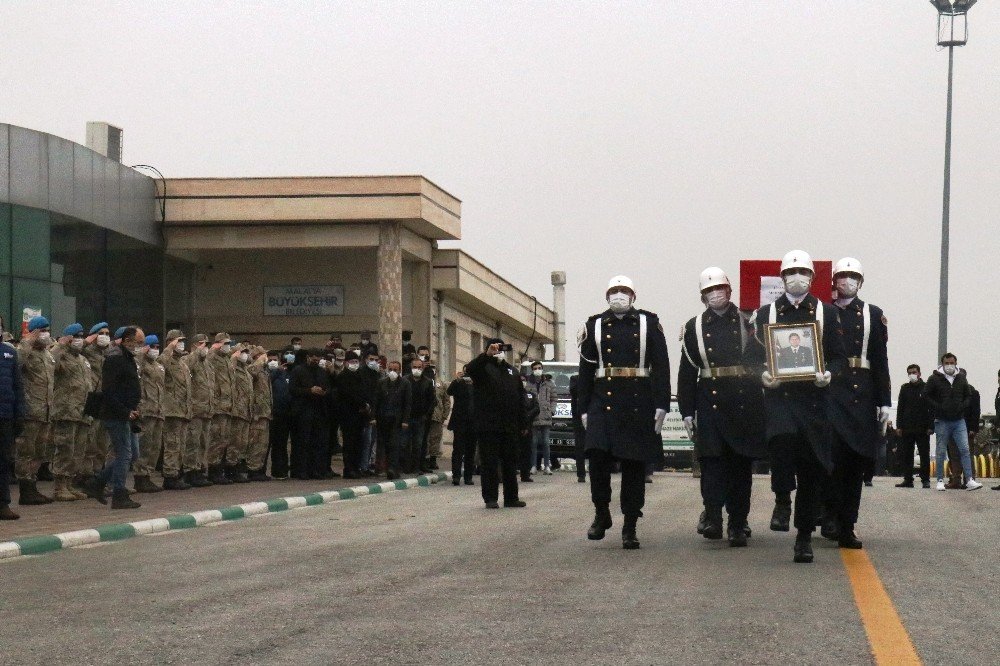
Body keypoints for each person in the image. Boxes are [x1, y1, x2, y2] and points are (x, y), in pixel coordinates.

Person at [750, 250, 845, 563]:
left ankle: (803, 537)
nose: (797, 277)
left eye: (803, 272)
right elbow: (751, 357)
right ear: (782, 278)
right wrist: (762, 375)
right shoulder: (766, 314)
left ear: (812, 278)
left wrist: (828, 374)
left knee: (811, 471)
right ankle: (781, 498)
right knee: (781, 442)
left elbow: (839, 357)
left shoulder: (826, 313)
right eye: (791, 272)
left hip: (815, 402)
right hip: (780, 398)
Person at [578, 275, 670, 549]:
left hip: (637, 401)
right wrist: (582, 408)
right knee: (596, 457)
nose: (619, 295)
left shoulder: (648, 322)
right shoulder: (593, 324)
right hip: (601, 400)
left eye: (624, 291)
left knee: (633, 465)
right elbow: (585, 371)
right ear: (607, 296)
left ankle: (630, 524)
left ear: (633, 296)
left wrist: (662, 403)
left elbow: (661, 366)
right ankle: (601, 512)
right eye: (614, 291)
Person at [678, 267, 766, 547]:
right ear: (702, 296)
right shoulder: (693, 326)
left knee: (741, 468)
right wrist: (687, 411)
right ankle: (714, 517)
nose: (715, 294)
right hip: (710, 402)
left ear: (730, 290)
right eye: (709, 291)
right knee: (712, 465)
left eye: (720, 289)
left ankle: (738, 524)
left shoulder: (748, 321)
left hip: (744, 402)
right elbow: (687, 372)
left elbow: (763, 359)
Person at [821, 257, 891, 550]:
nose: (847, 281)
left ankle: (848, 523)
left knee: (854, 462)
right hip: (829, 392)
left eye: (853, 277)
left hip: (861, 394)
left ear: (860, 282)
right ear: (834, 280)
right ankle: (829, 517)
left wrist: (884, 401)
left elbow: (880, 360)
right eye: (842, 276)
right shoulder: (821, 312)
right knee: (829, 460)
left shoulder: (873, 314)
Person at [82, 326, 144, 510]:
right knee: (124, 453)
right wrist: (125, 410)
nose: (141, 346)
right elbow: (109, 391)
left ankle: (97, 482)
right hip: (116, 414)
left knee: (132, 453)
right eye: (138, 342)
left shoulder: (127, 357)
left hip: (127, 413)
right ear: (127, 340)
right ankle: (119, 494)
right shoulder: (115, 358)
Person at [467, 339, 527, 509]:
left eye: (501, 348)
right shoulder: (483, 368)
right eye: (495, 348)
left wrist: (523, 423)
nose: (498, 351)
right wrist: (486, 356)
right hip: (488, 426)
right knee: (490, 463)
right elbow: (470, 369)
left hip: (509, 426)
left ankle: (511, 498)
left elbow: (520, 398)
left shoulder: (512, 371)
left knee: (510, 463)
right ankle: (490, 498)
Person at [923, 354, 983, 491]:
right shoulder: (934, 379)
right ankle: (939, 480)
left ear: (956, 363)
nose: (949, 365)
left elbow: (969, 395)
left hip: (959, 421)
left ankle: (969, 480)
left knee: (965, 450)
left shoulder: (961, 378)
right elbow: (926, 395)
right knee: (941, 451)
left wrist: (962, 406)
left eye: (952, 362)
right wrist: (938, 406)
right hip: (942, 421)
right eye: (947, 363)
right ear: (942, 363)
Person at [15, 315, 56, 505]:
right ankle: (26, 489)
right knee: (26, 451)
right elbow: (17, 362)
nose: (46, 334)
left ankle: (33, 486)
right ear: (34, 332)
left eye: (47, 330)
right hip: (31, 411)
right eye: (42, 330)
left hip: (46, 411)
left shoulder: (47, 354)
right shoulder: (25, 350)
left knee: (40, 451)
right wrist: (27, 341)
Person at [50, 324, 93, 501]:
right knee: (65, 447)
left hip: (83, 411)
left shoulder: (82, 359)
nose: (80, 339)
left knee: (78, 450)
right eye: (76, 336)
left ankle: (70, 484)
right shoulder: (61, 355)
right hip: (66, 410)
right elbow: (50, 361)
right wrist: (60, 344)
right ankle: (59, 487)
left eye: (81, 336)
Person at [289, 349, 332, 479]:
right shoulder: (298, 371)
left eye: (317, 358)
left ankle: (316, 470)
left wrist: (324, 392)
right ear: (307, 358)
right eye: (313, 358)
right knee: (302, 442)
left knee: (317, 443)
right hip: (302, 412)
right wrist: (309, 390)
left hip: (319, 412)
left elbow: (328, 387)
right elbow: (292, 389)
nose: (315, 360)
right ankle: (301, 471)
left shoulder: (322, 372)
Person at [159, 330, 193, 490]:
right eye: (178, 341)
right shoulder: (166, 359)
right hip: (171, 410)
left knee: (181, 445)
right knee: (172, 444)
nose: (181, 344)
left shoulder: (183, 364)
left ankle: (177, 473)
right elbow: (161, 363)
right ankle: (170, 475)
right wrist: (169, 349)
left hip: (183, 410)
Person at [133, 334, 166, 493]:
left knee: (155, 446)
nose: (155, 350)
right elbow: (135, 365)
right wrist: (141, 352)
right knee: (144, 446)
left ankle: (148, 475)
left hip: (158, 409)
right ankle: (140, 477)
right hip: (146, 409)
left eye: (157, 347)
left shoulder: (158, 366)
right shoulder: (141, 363)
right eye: (152, 347)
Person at [0, 316, 26, 519]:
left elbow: (18, 386)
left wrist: (20, 415)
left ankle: (3, 504)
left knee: (3, 460)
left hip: (6, 415)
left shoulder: (9, 352)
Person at [182, 334, 215, 487]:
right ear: (194, 345)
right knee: (192, 441)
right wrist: (195, 353)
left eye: (206, 344)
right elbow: (186, 366)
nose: (204, 347)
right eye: (201, 344)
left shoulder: (207, 364)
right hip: (195, 408)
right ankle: (190, 470)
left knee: (203, 442)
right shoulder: (189, 359)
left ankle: (200, 469)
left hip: (207, 408)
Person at [79, 322, 111, 481]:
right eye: (101, 333)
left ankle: (98, 474)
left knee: (102, 441)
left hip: (105, 399)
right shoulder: (86, 351)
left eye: (107, 333)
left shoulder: (109, 353)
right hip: (92, 398)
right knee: (89, 440)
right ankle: (86, 474)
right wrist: (87, 340)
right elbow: (72, 349)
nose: (105, 336)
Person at [895, 364, 934, 488]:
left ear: (919, 373)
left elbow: (931, 408)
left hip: (923, 428)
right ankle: (908, 479)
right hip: (907, 427)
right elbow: (900, 408)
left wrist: (931, 426)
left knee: (924, 455)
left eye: (914, 372)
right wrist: (899, 426)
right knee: (907, 455)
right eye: (910, 372)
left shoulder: (926, 388)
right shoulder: (904, 388)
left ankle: (925, 480)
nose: (912, 374)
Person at [207, 333, 236, 485]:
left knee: (224, 440)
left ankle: (219, 469)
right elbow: (205, 360)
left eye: (229, 343)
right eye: (225, 343)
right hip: (218, 407)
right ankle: (213, 470)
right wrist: (213, 348)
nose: (227, 346)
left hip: (228, 406)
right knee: (216, 439)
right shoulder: (212, 357)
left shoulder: (227, 360)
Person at [374, 360, 410, 480]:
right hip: (383, 418)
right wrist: (374, 417)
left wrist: (405, 420)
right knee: (384, 444)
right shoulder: (382, 383)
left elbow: (407, 403)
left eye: (395, 370)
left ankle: (393, 469)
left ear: (399, 371)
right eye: (390, 369)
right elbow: (377, 401)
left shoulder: (405, 383)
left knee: (395, 444)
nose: (392, 372)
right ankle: (382, 467)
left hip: (397, 419)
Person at [336, 351, 370, 478]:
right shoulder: (342, 377)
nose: (354, 364)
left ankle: (356, 467)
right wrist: (362, 404)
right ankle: (349, 469)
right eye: (351, 362)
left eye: (356, 362)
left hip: (360, 415)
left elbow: (365, 392)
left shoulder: (360, 375)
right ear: (346, 363)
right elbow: (348, 395)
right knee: (349, 443)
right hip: (348, 415)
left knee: (359, 443)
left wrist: (366, 405)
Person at [401, 358, 435, 473]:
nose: (417, 369)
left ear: (423, 368)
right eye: (414, 367)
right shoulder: (405, 380)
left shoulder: (427, 381)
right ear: (411, 368)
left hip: (421, 418)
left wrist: (426, 414)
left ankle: (417, 466)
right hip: (406, 417)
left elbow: (432, 400)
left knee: (418, 444)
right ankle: (406, 467)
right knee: (405, 443)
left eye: (419, 367)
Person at [226, 344, 254, 483]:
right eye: (241, 352)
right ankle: (230, 468)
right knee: (234, 441)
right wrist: (233, 359)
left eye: (246, 352)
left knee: (242, 442)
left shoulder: (246, 370)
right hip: (236, 410)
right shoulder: (232, 369)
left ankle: (236, 464)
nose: (244, 354)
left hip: (245, 411)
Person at [246, 347, 273, 481]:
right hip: (257, 412)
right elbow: (250, 372)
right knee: (256, 442)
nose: (266, 358)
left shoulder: (264, 371)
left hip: (265, 412)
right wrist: (258, 362)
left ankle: (260, 468)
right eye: (264, 355)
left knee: (263, 443)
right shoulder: (253, 368)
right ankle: (253, 469)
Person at [526, 361, 557, 475]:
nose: (537, 370)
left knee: (545, 441)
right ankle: (533, 465)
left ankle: (547, 466)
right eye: (535, 368)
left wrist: (552, 410)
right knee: (533, 442)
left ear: (542, 369)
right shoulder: (529, 383)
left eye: (539, 368)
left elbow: (554, 398)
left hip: (546, 415)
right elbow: (526, 398)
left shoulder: (549, 383)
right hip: (533, 416)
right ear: (532, 370)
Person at [447, 367, 476, 485]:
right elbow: (449, 391)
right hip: (460, 421)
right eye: (465, 372)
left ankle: (468, 476)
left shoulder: (478, 383)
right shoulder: (458, 383)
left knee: (470, 450)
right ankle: (456, 476)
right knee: (458, 450)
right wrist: (457, 380)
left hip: (474, 421)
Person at [268, 350, 293, 479]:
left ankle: (281, 469)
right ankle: (264, 470)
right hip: (270, 413)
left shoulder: (284, 374)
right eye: (270, 360)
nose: (273, 362)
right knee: (269, 444)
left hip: (284, 412)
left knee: (281, 443)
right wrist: (276, 371)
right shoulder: (267, 373)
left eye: (275, 360)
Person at [425, 364, 449, 471]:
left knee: (435, 438)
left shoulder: (441, 384)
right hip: (425, 415)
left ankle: (433, 459)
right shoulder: (424, 381)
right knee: (425, 439)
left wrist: (444, 415)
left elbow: (446, 401)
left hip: (437, 415)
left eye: (434, 367)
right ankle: (424, 459)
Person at [519, 377, 541, 482]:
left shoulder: (531, 395)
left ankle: (525, 474)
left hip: (528, 425)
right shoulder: (514, 395)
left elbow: (537, 408)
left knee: (526, 450)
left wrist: (528, 415)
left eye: (524, 380)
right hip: (515, 426)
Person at [569, 374, 586, 482]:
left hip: (594, 416)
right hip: (579, 417)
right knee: (580, 446)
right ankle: (581, 474)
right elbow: (574, 391)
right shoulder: (575, 379)